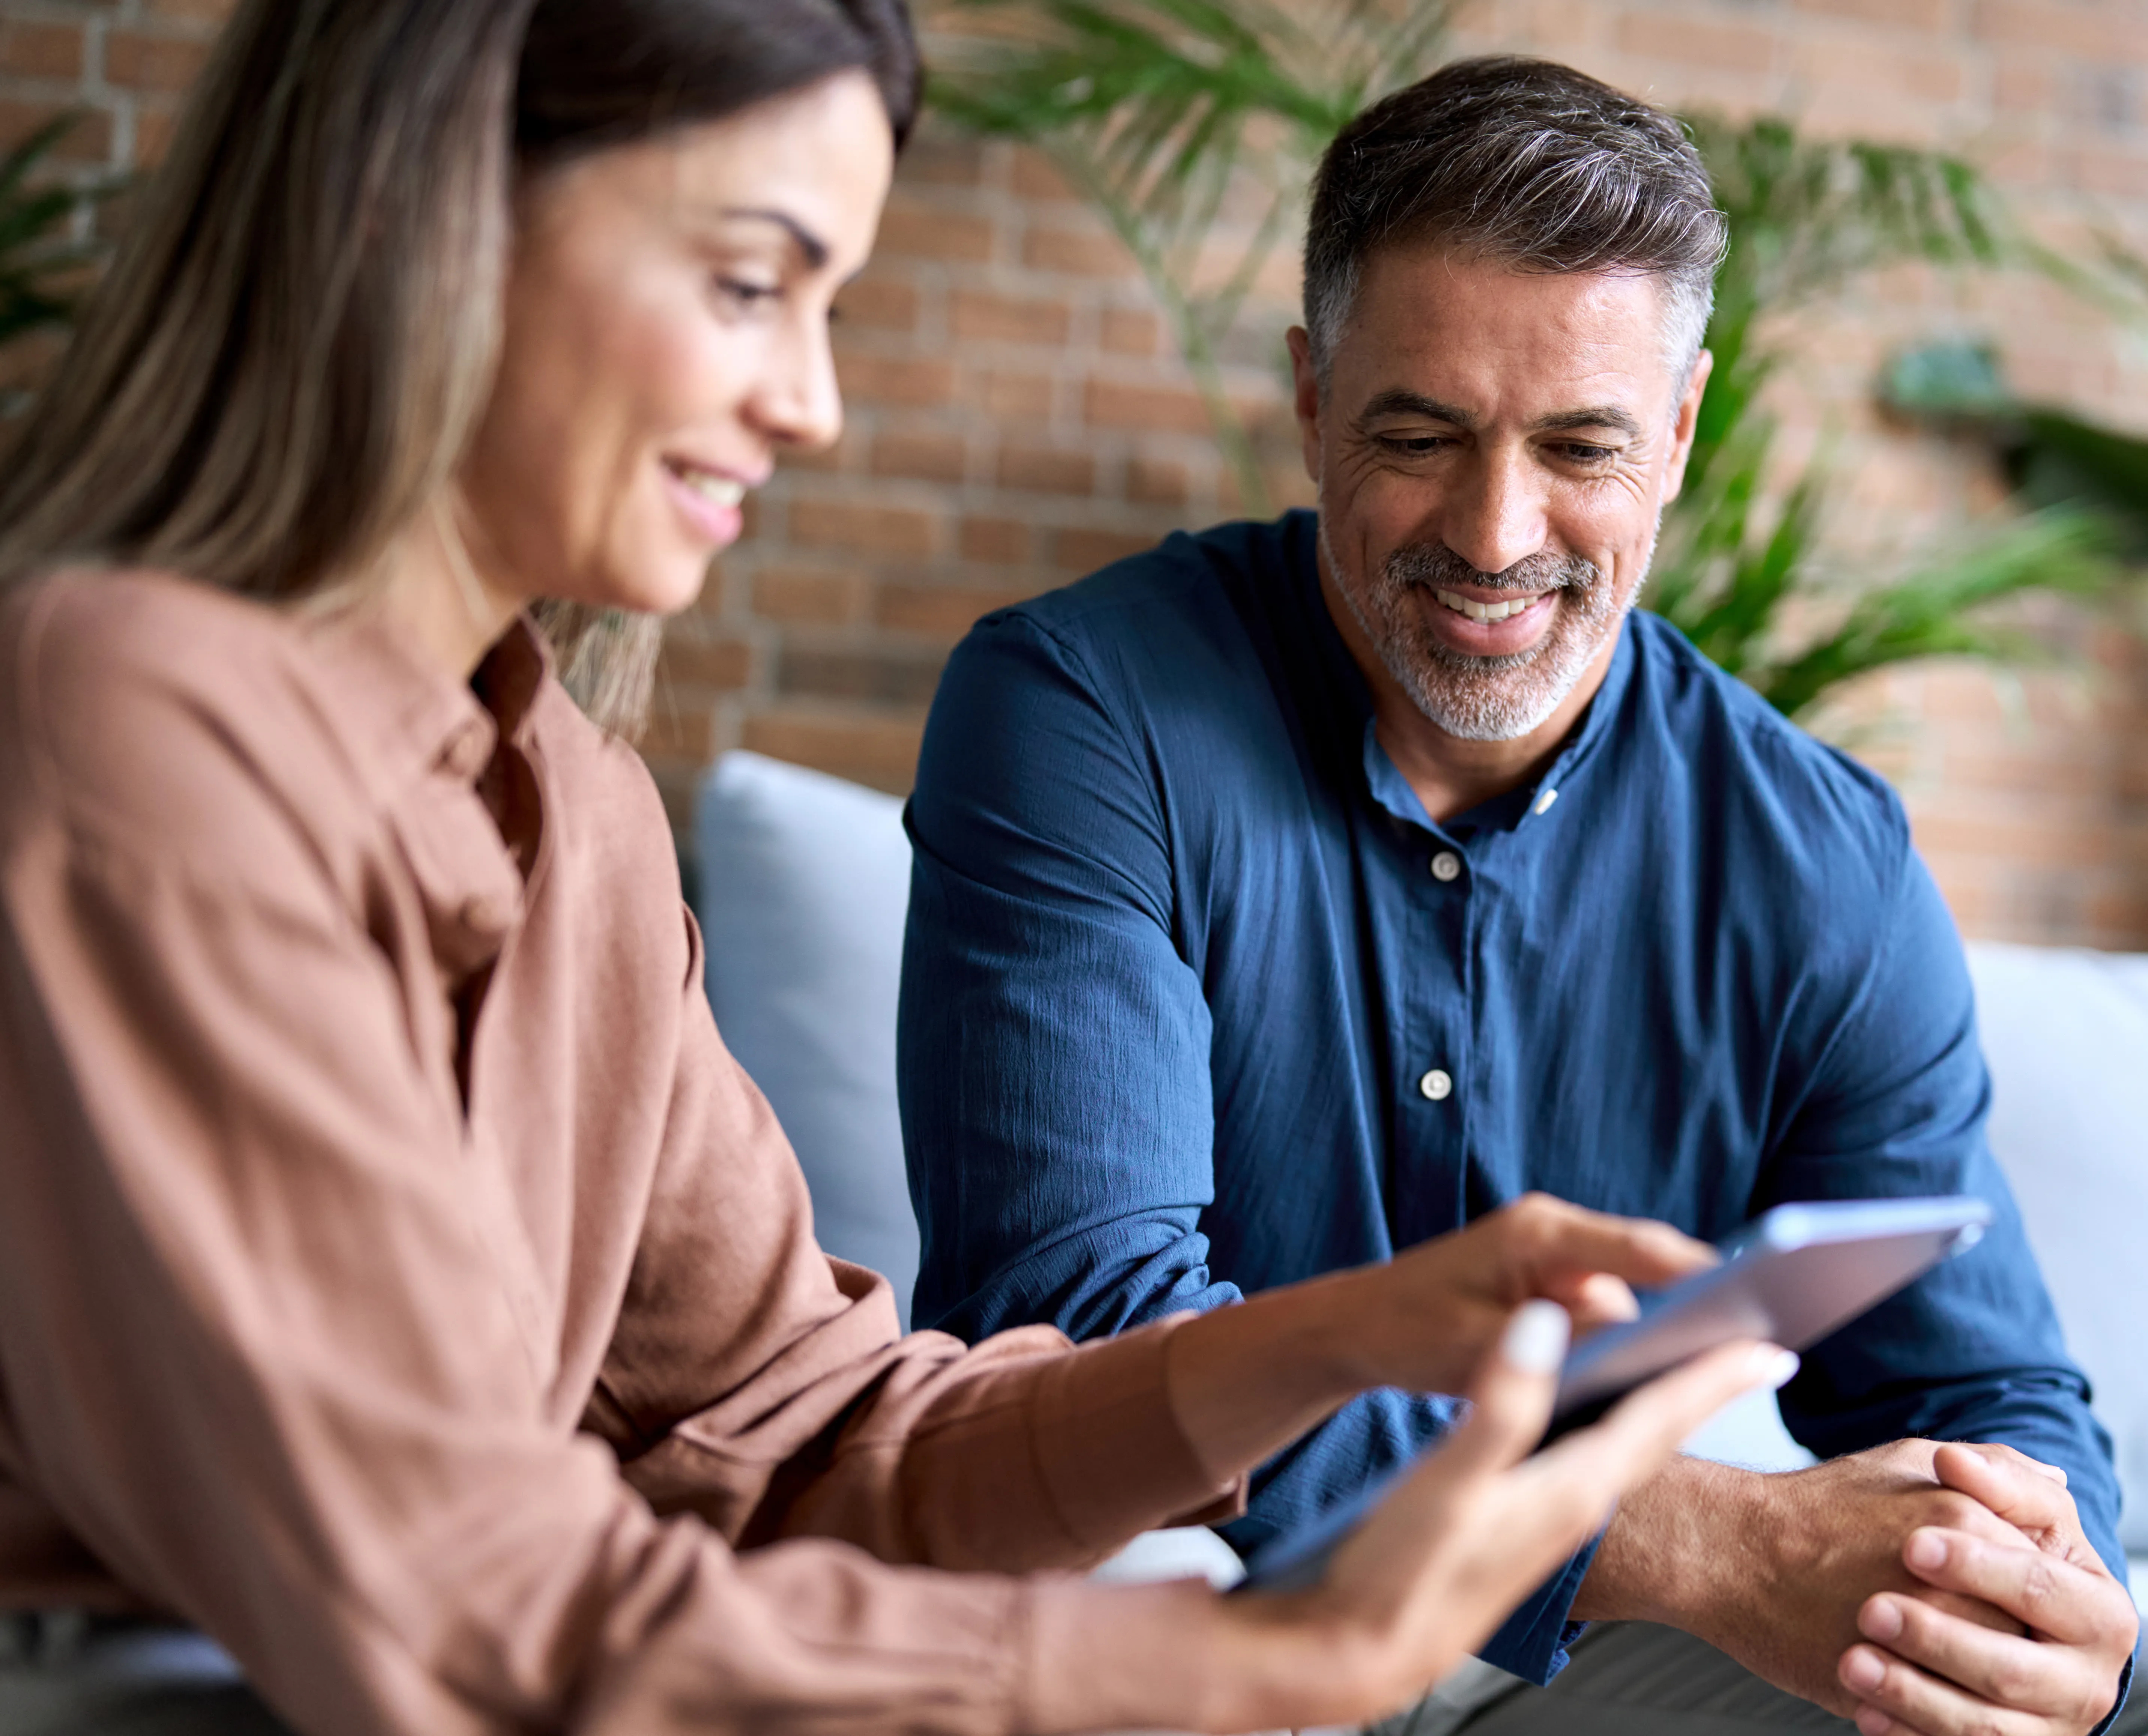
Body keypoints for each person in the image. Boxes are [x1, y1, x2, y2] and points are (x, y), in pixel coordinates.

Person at [0, 8, 1797, 1733]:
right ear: (427, 221)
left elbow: (798, 1430)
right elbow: (457, 1597)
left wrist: (1335, 1338)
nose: (813, 402)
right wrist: (1271, 1662)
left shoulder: (576, 808)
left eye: (830, 304)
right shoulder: (130, 722)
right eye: (746, 283)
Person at [901, 56, 2148, 1736]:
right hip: (1177, 1622)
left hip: (1564, 1678)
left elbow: (1986, 1385)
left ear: (1677, 433)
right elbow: (1081, 1333)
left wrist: (2032, 1597)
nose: (1496, 532)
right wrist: (1706, 1543)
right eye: (1419, 434)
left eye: (1579, 443)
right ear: (1311, 403)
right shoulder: (1081, 711)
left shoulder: (1818, 857)